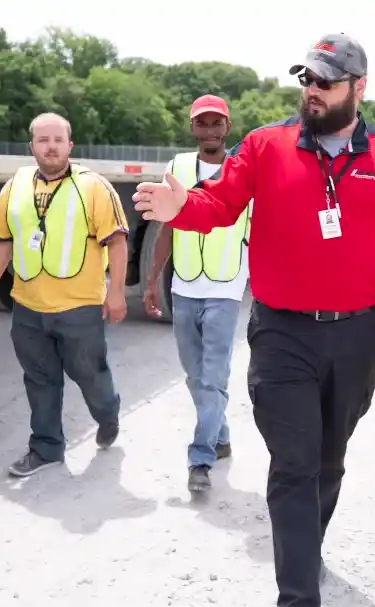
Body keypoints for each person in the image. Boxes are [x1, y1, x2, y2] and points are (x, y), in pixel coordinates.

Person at [132, 32, 375, 607]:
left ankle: (306, 549)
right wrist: (180, 204)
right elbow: (219, 205)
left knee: (328, 460)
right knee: (293, 467)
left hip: (354, 334)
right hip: (282, 334)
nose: (312, 91)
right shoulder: (265, 146)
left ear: (358, 88)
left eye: (326, 81)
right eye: (307, 80)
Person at [0, 111, 131, 477]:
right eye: (43, 140)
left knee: (91, 377)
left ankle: (107, 414)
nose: (51, 147)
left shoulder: (93, 186)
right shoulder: (14, 186)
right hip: (28, 308)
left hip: (80, 309)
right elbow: (1, 242)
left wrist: (117, 293)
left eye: (58, 140)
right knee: (40, 381)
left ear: (70, 146)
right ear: (31, 146)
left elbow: (118, 242)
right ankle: (46, 449)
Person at [143, 95, 251, 493]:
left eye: (216, 123)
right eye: (202, 123)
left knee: (214, 376)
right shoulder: (178, 168)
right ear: (193, 128)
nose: (210, 130)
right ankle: (220, 437)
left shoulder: (243, 171)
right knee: (194, 377)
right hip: (185, 286)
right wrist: (153, 280)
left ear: (227, 127)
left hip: (225, 287)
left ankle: (199, 459)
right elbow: (166, 227)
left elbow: (259, 231)